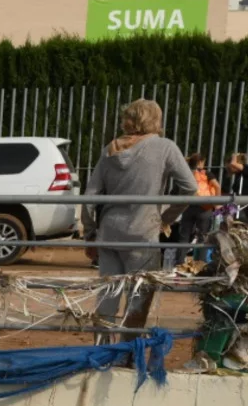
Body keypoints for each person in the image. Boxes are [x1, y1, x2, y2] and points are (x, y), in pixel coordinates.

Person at [81, 98, 196, 333]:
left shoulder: (109, 149)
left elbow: (90, 195)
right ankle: (128, 355)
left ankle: (102, 352)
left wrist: (90, 232)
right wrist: (166, 218)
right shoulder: (165, 147)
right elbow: (190, 188)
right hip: (143, 233)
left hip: (110, 233)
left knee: (107, 296)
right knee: (139, 298)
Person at [164, 152, 220, 271]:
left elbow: (174, 192)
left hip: (188, 207)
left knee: (184, 236)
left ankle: (179, 263)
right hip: (205, 208)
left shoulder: (186, 174)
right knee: (203, 237)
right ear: (201, 162)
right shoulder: (207, 174)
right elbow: (217, 186)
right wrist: (217, 202)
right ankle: (200, 264)